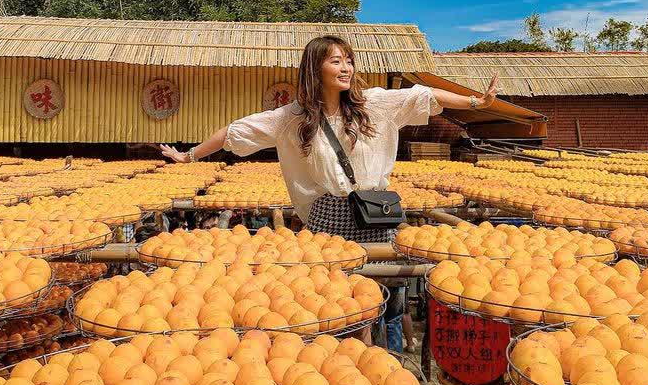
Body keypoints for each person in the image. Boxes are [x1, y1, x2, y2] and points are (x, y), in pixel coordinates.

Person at [160, 35, 502, 350]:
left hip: (376, 214)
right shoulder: (293, 117)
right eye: (336, 61)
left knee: (388, 303)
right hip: (329, 218)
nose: (346, 67)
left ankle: (388, 365)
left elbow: (423, 95)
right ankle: (346, 365)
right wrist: (187, 155)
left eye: (348, 60)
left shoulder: (374, 104)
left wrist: (475, 101)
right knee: (339, 305)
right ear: (315, 68)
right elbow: (235, 132)